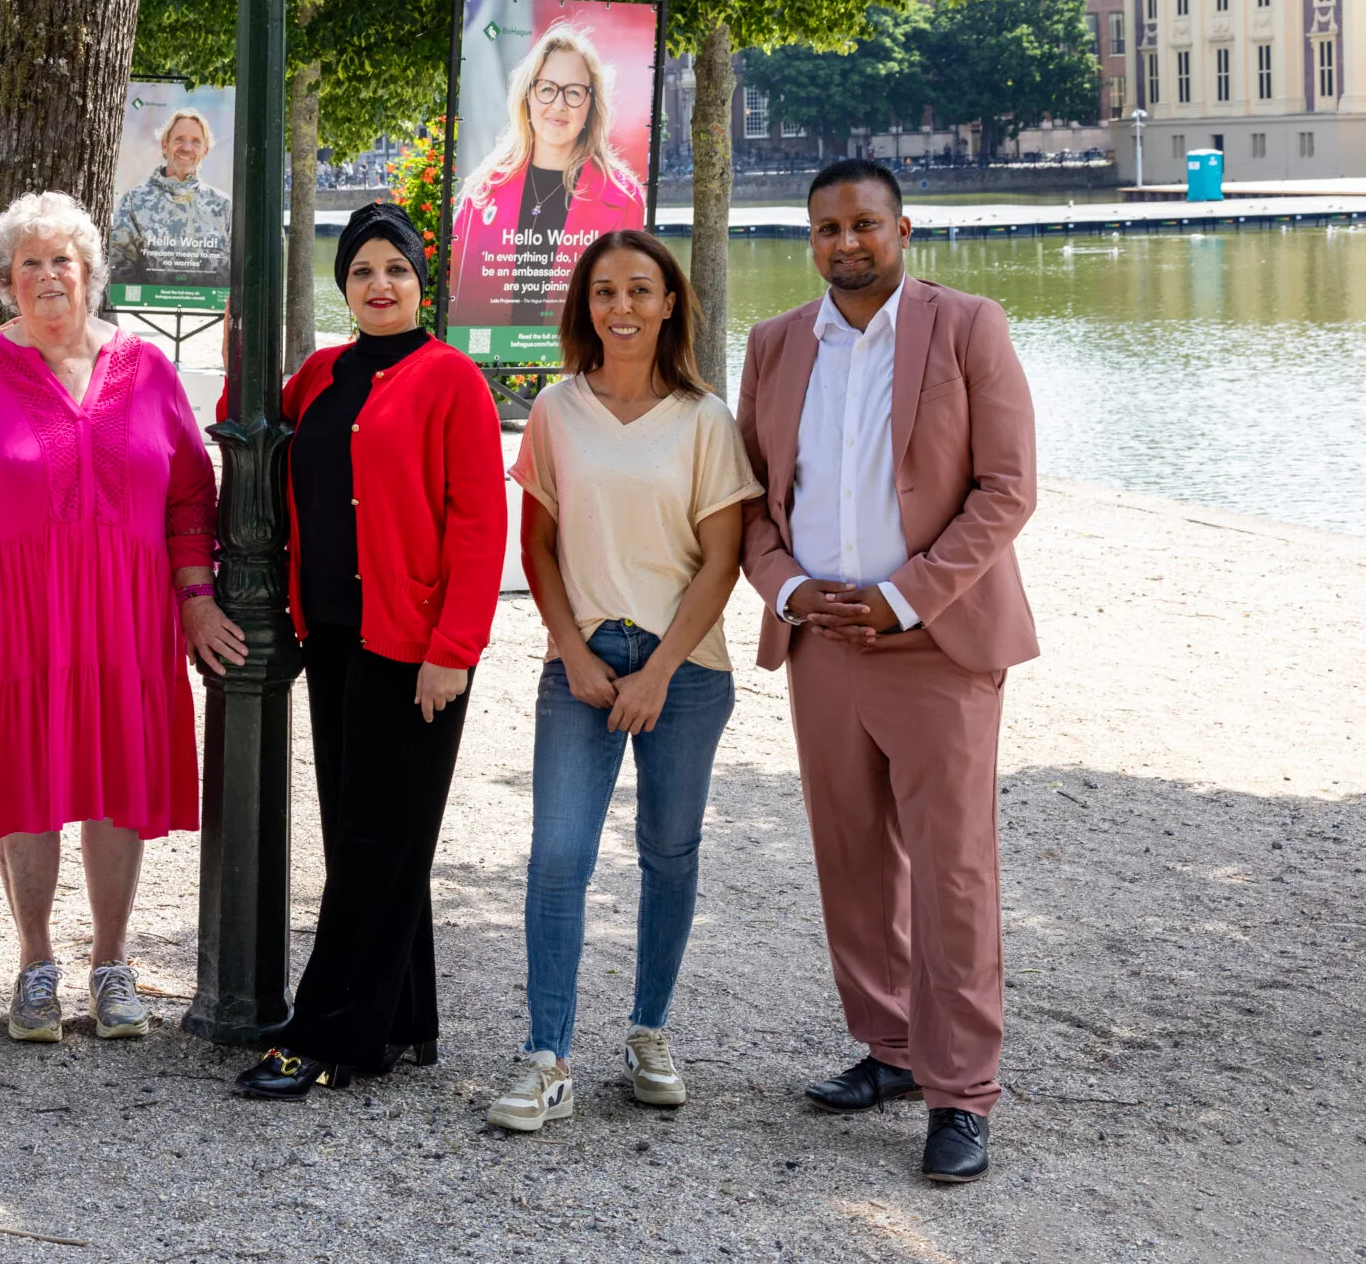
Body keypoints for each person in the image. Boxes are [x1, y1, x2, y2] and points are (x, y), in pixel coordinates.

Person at [736, 159, 1037, 1184]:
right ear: (809, 240)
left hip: (935, 642)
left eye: (864, 224)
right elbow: (751, 502)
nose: (846, 242)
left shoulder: (968, 327)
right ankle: (891, 1047)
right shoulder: (775, 345)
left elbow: (1005, 489)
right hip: (821, 640)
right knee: (851, 855)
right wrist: (786, 589)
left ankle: (962, 1091)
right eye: (827, 228)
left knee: (953, 870)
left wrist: (904, 595)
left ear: (903, 230)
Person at [0, 192, 242, 1042]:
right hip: (16, 625)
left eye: (64, 259)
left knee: (118, 777)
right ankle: (35, 961)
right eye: (31, 263)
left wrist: (197, 600)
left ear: (90, 272)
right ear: (6, 281)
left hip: (130, 621)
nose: (49, 275)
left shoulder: (149, 370)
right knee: (26, 780)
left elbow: (190, 501)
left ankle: (112, 961)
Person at [481, 230, 759, 1133]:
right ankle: (547, 1057)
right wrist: (570, 647)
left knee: (669, 852)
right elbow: (536, 544)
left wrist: (660, 671)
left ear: (670, 303)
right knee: (559, 854)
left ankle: (649, 1030)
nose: (623, 306)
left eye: (641, 289)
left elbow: (722, 560)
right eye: (605, 291)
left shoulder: (705, 419)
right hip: (583, 660)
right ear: (585, 306)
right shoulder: (557, 410)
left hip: (687, 667)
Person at [232, 204, 508, 1101]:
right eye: (361, 271)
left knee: (372, 838)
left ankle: (325, 1035)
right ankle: (401, 1018)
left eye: (396, 269)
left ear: (421, 282)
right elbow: (244, 425)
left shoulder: (452, 378)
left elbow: (479, 524)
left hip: (415, 646)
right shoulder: (320, 375)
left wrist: (453, 647)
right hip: (332, 637)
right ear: (343, 285)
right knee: (371, 832)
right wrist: (239, 338)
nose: (379, 284)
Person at [449, 22, 647, 327]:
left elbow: (632, 307)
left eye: (574, 92)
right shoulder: (482, 192)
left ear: (591, 104)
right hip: (494, 357)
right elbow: (456, 304)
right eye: (547, 89)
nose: (559, 104)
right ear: (528, 97)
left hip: (582, 356)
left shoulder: (625, 199)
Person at [108, 109, 231, 284]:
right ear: (165, 146)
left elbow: (237, 271)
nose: (187, 148)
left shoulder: (223, 206)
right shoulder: (134, 201)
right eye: (179, 139)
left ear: (205, 151)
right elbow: (120, 267)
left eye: (196, 141)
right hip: (148, 303)